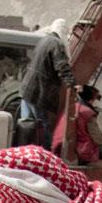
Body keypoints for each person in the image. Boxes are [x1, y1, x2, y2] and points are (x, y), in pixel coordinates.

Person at [21, 19, 75, 151]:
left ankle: (23, 152)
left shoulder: (43, 41)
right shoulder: (56, 44)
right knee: (42, 127)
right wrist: (72, 84)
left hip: (26, 90)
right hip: (40, 92)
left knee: (26, 126)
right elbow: (61, 66)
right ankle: (45, 156)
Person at [71, 84, 102, 164]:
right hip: (84, 148)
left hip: (74, 144)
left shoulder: (73, 107)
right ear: (91, 99)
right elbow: (96, 136)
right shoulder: (88, 113)